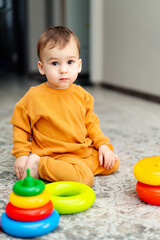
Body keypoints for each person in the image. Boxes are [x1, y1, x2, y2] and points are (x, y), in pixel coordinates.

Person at [10, 26, 120, 187]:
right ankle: (40, 165)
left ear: (79, 65)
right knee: (84, 179)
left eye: (70, 62)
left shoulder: (83, 95)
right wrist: (22, 155)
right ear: (42, 67)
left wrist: (102, 145)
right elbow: (20, 127)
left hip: (80, 150)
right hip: (54, 153)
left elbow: (91, 125)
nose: (63, 70)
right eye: (55, 63)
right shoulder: (33, 97)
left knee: (112, 163)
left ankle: (71, 169)